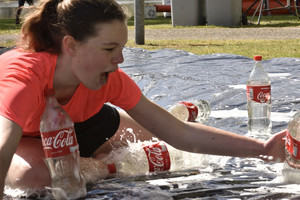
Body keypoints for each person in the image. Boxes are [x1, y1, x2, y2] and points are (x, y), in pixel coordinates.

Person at [0, 0, 287, 198]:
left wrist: (263, 148)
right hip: (30, 136)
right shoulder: (24, 79)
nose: (121, 59)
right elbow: (3, 146)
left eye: (122, 47)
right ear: (71, 45)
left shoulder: (107, 77)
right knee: (37, 180)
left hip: (86, 123)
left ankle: (94, 161)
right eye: (110, 48)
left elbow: (180, 133)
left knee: (162, 128)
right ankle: (101, 164)